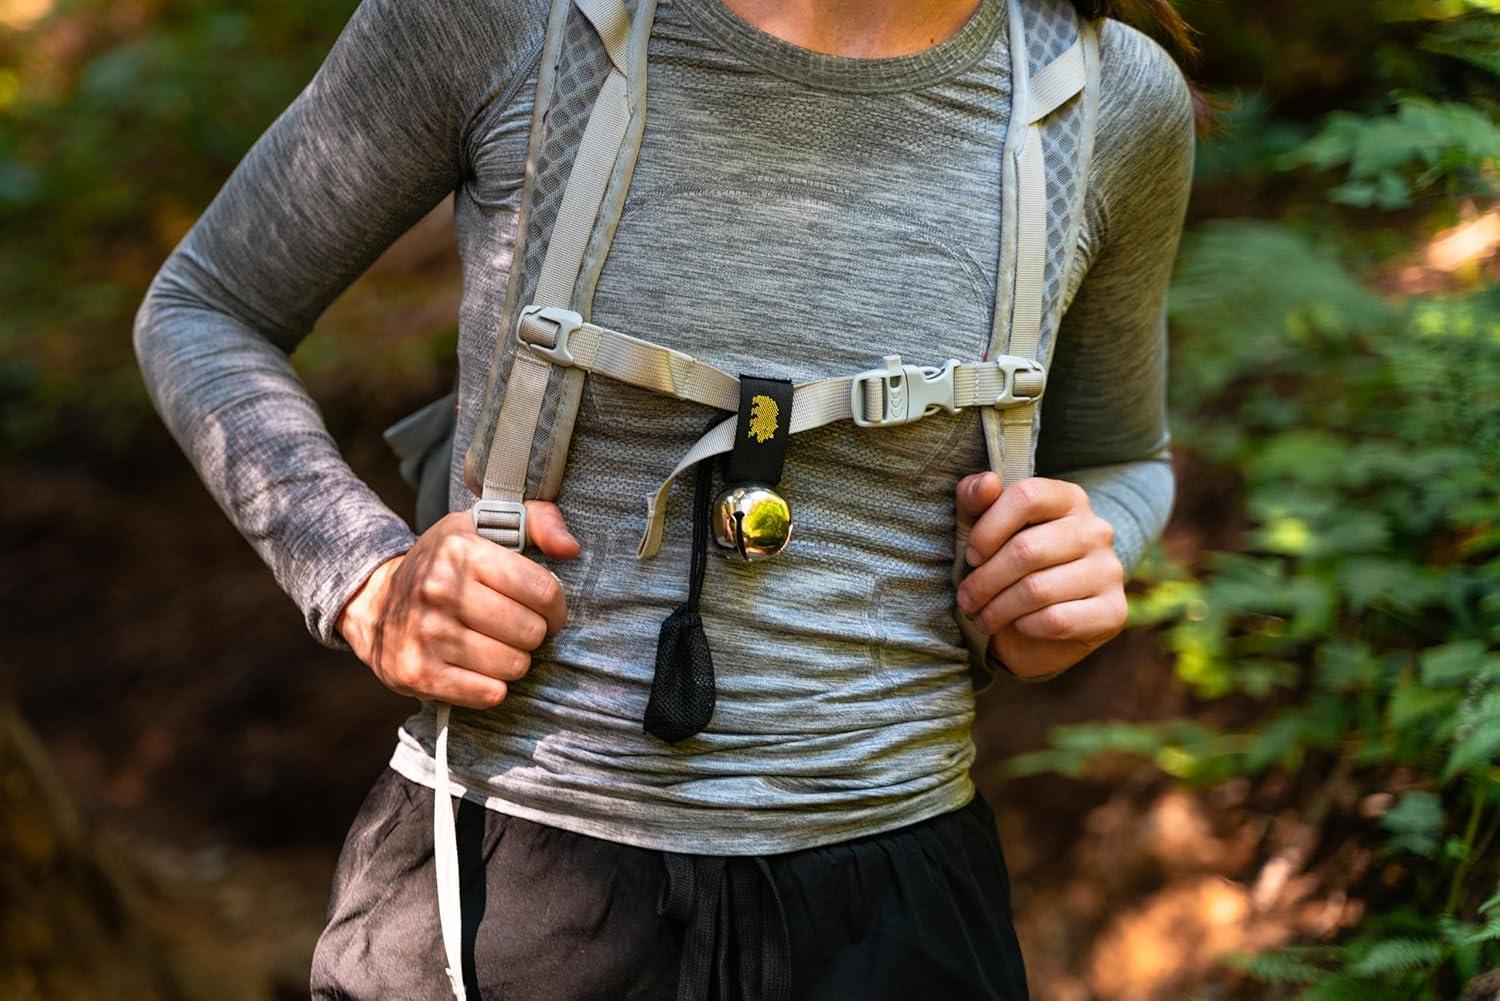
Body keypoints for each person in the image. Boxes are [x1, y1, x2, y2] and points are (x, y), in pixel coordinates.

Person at [132, 0, 1197, 996]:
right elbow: (206, 306)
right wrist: (364, 578)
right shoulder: (511, 22)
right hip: (503, 879)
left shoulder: (1101, 100)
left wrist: (1080, 552)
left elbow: (1123, 459)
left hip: (901, 908)